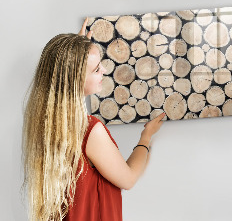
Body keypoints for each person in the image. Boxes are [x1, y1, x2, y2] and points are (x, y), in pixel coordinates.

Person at [22, 19, 165, 221]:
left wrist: (76, 52)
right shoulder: (90, 131)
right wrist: (146, 137)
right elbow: (129, 178)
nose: (104, 72)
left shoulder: (44, 123)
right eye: (96, 69)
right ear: (75, 79)